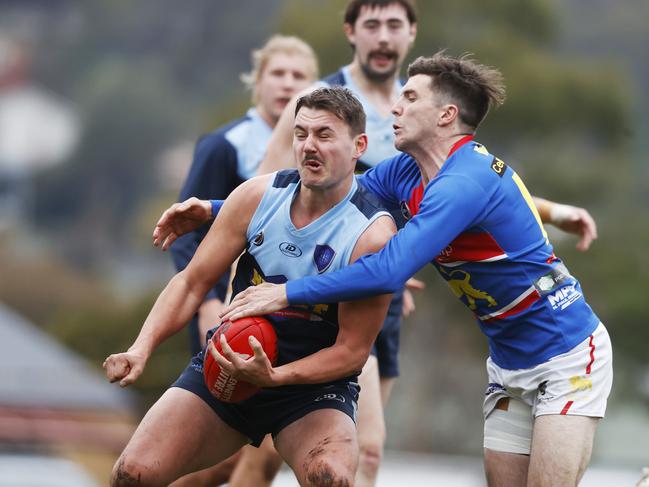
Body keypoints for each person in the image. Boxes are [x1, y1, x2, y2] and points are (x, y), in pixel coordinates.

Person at [218, 52, 613, 487]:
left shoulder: (465, 181)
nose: (395, 107)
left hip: (567, 353)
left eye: (409, 97)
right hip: (507, 362)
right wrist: (218, 211)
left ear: (446, 115)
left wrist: (287, 293)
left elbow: (388, 269)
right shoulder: (407, 170)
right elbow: (331, 205)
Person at [104, 87, 396, 487]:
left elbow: (351, 352)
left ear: (358, 145)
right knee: (132, 475)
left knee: (332, 480)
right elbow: (191, 283)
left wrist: (275, 378)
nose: (309, 146)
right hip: (228, 363)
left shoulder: (371, 234)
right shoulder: (257, 196)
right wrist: (142, 347)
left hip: (312, 391)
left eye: (324, 135)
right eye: (300, 134)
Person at [168, 35, 318, 486]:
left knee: (263, 454)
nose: (287, 86)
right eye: (278, 74)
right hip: (229, 312)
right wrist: (208, 304)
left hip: (291, 316)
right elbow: (186, 236)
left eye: (299, 77)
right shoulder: (225, 144)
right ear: (257, 82)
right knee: (211, 455)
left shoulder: (318, 151)